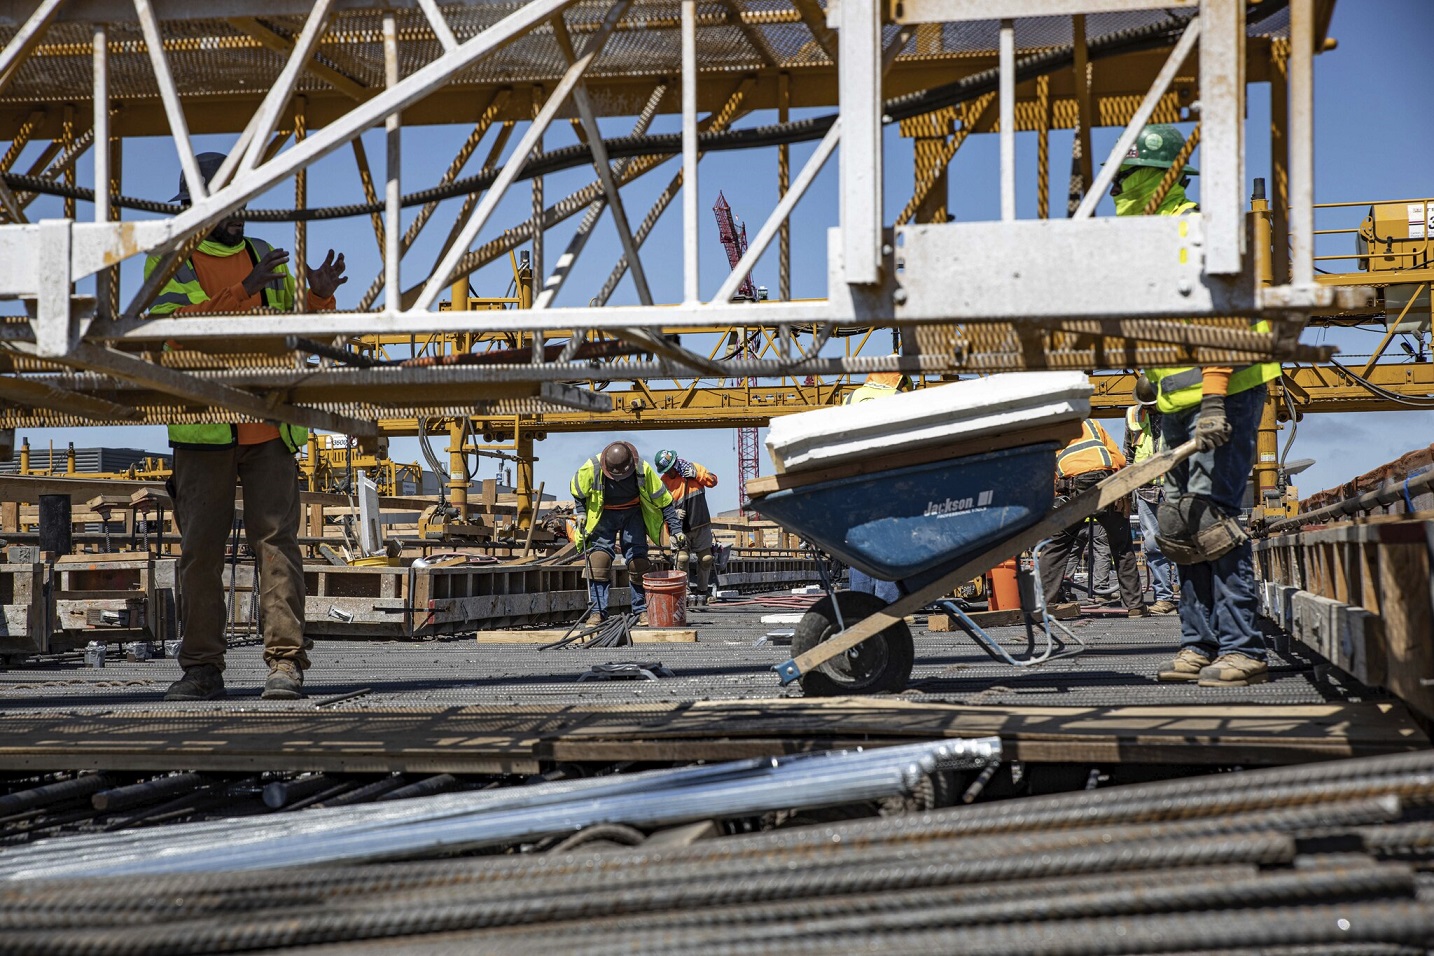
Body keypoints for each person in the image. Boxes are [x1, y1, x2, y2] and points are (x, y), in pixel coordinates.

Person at [152, 152, 348, 701]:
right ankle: (201, 669)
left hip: (267, 429)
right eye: (228, 203)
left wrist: (318, 297)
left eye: (245, 200)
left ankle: (285, 665)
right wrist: (244, 288)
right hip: (204, 430)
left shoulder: (266, 255)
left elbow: (301, 339)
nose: (241, 213)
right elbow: (174, 335)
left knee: (278, 548)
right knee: (200, 554)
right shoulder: (173, 260)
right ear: (197, 207)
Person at [1113, 126, 1280, 687]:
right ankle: (1199, 643)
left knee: (1214, 521)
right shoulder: (1151, 240)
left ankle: (1243, 649)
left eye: (1126, 178)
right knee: (1180, 524)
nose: (1118, 191)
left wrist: (1211, 397)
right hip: (1182, 401)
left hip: (1225, 391)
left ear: (1154, 180)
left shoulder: (1195, 231)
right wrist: (1149, 382)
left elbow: (1223, 322)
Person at [1038, 419, 1147, 618]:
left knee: (1057, 546)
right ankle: (1135, 606)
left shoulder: (1050, 428)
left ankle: (1043, 605)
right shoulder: (1092, 423)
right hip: (1104, 481)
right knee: (1121, 545)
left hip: (1073, 485)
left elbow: (1047, 471)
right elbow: (1120, 460)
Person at [570, 441, 685, 626]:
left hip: (633, 513)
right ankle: (598, 611)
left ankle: (642, 611)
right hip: (604, 513)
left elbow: (664, 501)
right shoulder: (592, 467)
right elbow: (578, 491)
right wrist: (581, 512)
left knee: (637, 561)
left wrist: (677, 530)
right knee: (599, 560)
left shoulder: (643, 469)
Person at [840, 371, 910, 602]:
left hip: (855, 479)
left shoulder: (852, 397)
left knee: (861, 544)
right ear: (899, 379)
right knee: (889, 542)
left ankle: (861, 606)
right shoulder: (899, 398)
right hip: (888, 478)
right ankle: (886, 606)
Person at [1123, 376, 1178, 615]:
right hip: (1146, 490)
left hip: (1175, 488)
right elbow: (1128, 452)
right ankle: (1164, 598)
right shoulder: (1133, 415)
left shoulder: (1178, 412)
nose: (1149, 407)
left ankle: (1188, 595)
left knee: (1181, 543)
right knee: (1154, 545)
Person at [654, 449, 719, 606]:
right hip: (679, 528)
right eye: (666, 470)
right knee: (682, 559)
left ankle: (703, 591)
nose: (669, 473)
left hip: (700, 524)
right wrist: (674, 512)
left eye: (670, 469)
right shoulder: (663, 482)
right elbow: (657, 506)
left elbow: (713, 481)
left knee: (706, 558)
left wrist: (697, 474)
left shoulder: (693, 469)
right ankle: (685, 592)